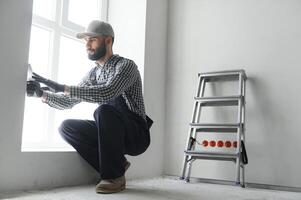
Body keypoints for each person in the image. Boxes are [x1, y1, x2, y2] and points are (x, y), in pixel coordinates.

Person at [26, 20, 153, 194]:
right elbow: (68, 101)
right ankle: (118, 164)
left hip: (136, 134)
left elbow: (108, 92)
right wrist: (42, 94)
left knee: (104, 110)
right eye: (85, 41)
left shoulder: (126, 66)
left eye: (92, 39)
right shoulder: (93, 74)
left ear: (108, 41)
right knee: (67, 127)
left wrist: (62, 87)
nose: (87, 45)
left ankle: (114, 177)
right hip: (112, 131)